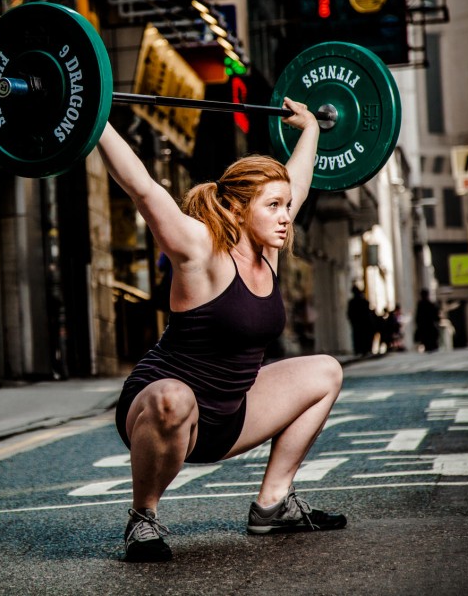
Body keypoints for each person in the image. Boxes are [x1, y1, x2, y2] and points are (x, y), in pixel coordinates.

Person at [98, 98, 346, 563]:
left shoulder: (269, 250)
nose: (285, 215)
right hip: (163, 409)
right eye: (273, 206)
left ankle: (273, 504)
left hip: (229, 417)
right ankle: (143, 519)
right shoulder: (199, 250)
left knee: (325, 371)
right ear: (236, 210)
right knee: (174, 398)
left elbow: (300, 178)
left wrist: (311, 127)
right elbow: (144, 189)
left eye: (286, 206)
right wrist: (93, 119)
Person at [346, 285, 376, 356]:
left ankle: (362, 350)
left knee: (360, 337)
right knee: (360, 337)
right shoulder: (358, 301)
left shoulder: (357, 302)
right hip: (360, 323)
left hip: (361, 323)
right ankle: (362, 350)